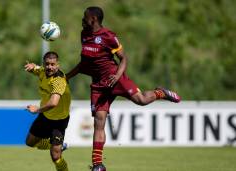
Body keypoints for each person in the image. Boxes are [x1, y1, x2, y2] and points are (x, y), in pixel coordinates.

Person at [66, 6, 181, 171]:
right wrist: (68, 76)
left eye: (85, 17)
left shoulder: (108, 36)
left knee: (141, 100)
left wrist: (118, 75)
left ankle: (160, 92)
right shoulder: (84, 35)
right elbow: (85, 63)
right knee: (99, 121)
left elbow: (123, 58)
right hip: (99, 85)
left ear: (94, 19)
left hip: (115, 78)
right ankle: (98, 164)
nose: (82, 20)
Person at [25, 51, 71, 171]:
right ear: (44, 64)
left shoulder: (59, 80)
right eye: (47, 64)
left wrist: (37, 110)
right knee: (29, 142)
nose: (50, 67)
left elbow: (53, 103)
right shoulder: (42, 72)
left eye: (52, 64)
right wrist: (32, 67)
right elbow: (37, 69)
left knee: (55, 157)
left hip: (59, 121)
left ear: (58, 65)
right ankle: (56, 145)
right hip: (45, 117)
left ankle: (57, 148)